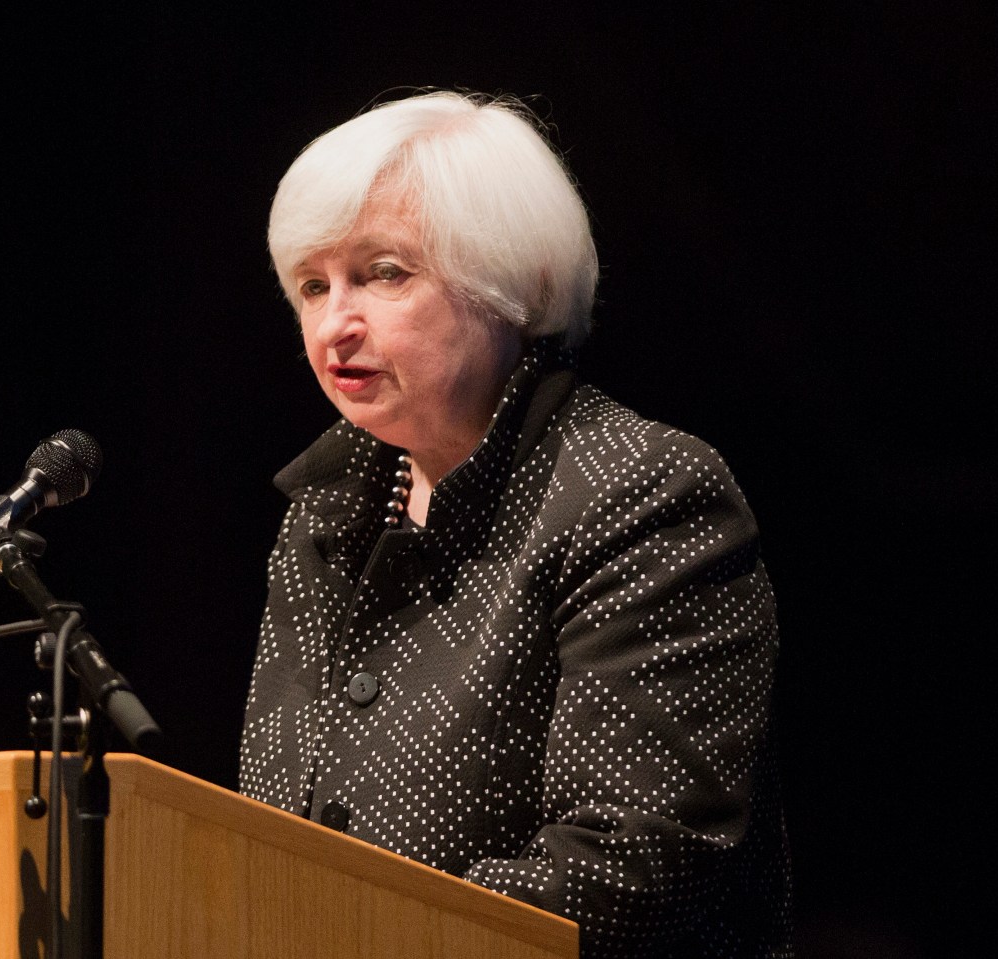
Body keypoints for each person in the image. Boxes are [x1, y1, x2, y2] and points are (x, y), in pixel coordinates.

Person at [238, 89, 793, 957]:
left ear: (516, 284)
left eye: (384, 273)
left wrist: (357, 935)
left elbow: (632, 863)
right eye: (313, 285)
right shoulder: (324, 515)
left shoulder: (639, 491)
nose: (334, 323)